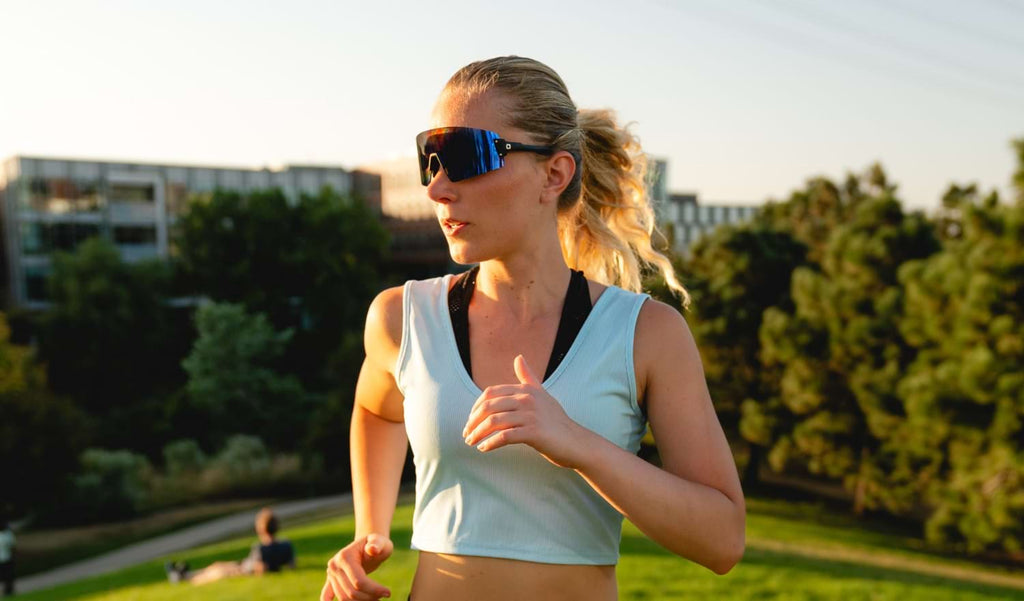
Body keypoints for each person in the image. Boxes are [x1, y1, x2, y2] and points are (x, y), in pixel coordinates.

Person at [321, 56, 746, 601]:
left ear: (554, 173)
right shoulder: (400, 319)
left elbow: (722, 540)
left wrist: (579, 445)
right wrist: (369, 532)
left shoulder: (647, 335)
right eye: (431, 159)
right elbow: (377, 410)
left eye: (466, 156)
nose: (438, 188)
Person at [165, 507, 294, 585]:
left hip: (243, 570)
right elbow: (292, 565)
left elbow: (260, 569)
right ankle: (184, 573)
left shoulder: (260, 548)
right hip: (242, 565)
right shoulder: (286, 544)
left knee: (215, 572)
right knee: (216, 566)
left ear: (260, 529)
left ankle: (183, 577)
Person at [0, 517, 15, 597]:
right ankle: (6, 590)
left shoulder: (8, 534)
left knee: (9, 576)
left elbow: (12, 546)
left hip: (8, 558)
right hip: (2, 559)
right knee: (4, 576)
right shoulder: (7, 534)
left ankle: (9, 590)